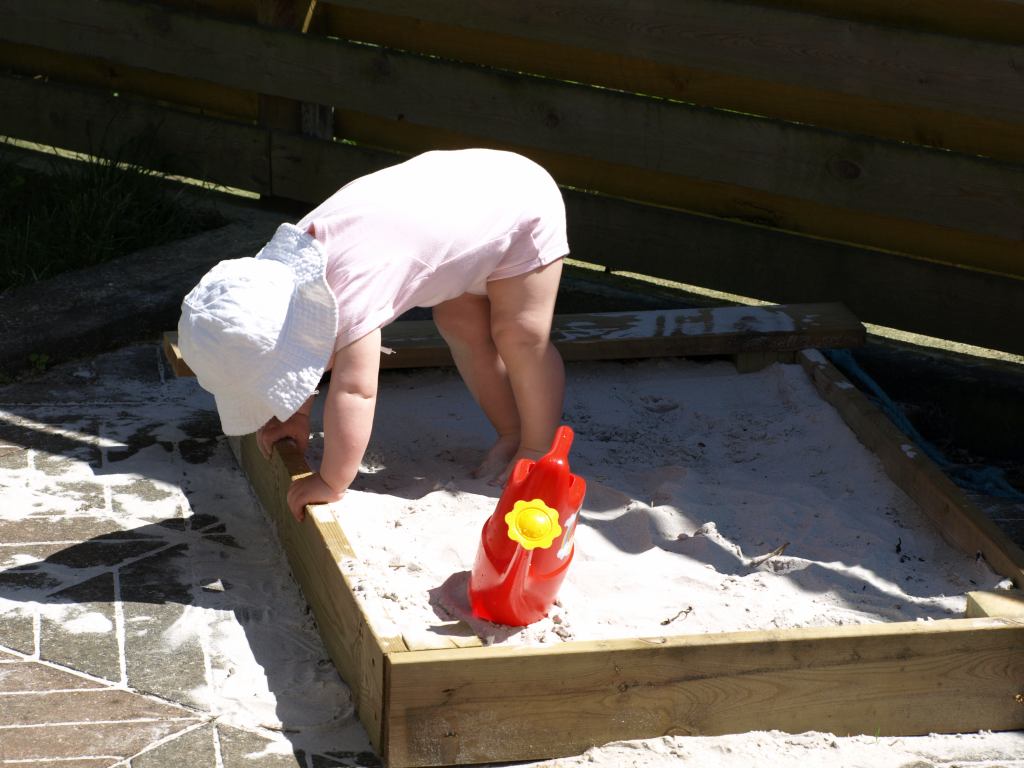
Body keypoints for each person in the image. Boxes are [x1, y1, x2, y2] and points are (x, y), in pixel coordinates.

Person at [178, 148, 568, 521]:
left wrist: (330, 481)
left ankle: (537, 446)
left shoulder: (351, 295)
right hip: (460, 208)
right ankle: (511, 432)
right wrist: (295, 413)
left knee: (519, 335)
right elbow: (302, 345)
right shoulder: (277, 273)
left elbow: (356, 392)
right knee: (460, 324)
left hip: (516, 206)